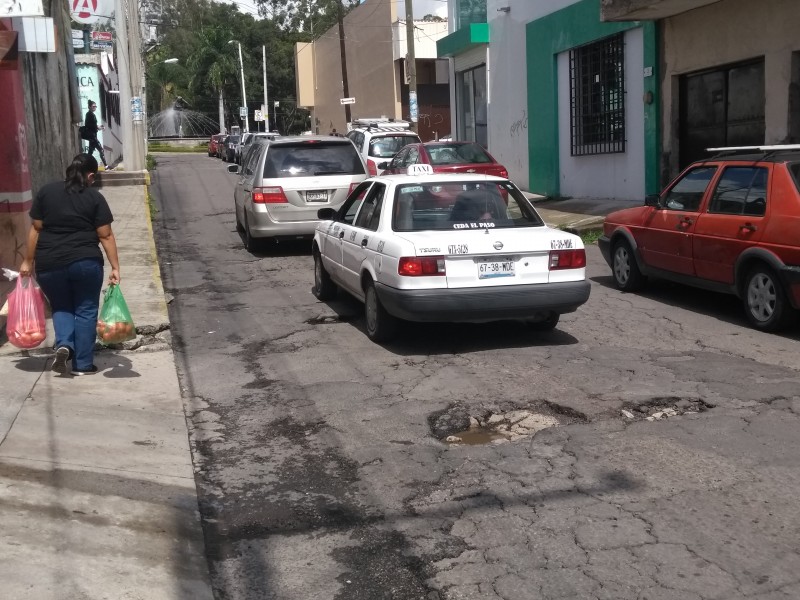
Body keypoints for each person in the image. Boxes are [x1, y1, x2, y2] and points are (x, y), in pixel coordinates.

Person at [19, 153, 121, 376]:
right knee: (85, 310)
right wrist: (115, 267)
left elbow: (35, 228)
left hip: (49, 263)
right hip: (85, 262)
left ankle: (65, 344)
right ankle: (83, 365)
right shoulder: (94, 198)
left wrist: (28, 261)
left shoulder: (47, 192)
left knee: (61, 306)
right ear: (91, 175)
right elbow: (105, 235)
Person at [84, 100, 108, 169]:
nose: (95, 108)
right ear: (89, 107)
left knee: (90, 153)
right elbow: (88, 125)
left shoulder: (92, 114)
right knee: (100, 150)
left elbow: (93, 125)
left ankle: (86, 167)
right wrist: (98, 127)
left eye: (95, 106)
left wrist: (99, 127)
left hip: (93, 136)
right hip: (93, 137)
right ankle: (106, 166)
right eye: (93, 106)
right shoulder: (89, 114)